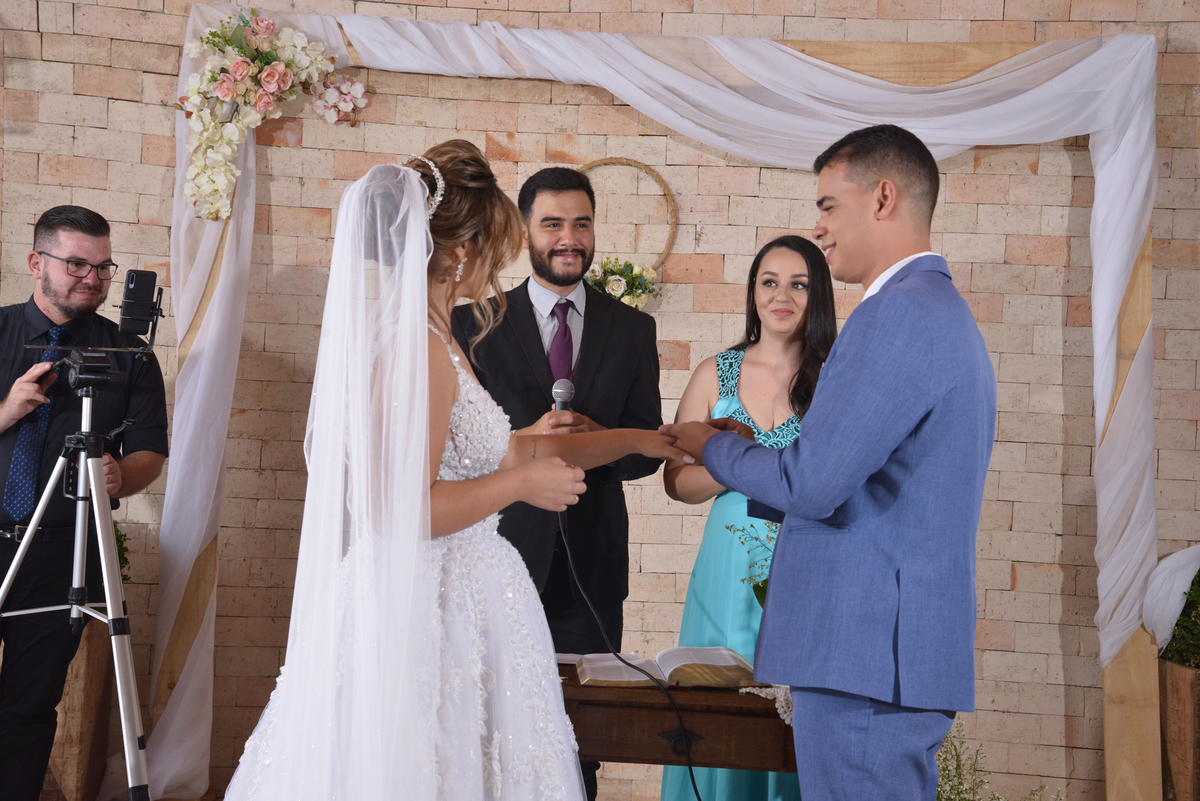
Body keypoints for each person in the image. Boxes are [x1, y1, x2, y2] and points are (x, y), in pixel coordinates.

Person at [223, 142, 688, 801]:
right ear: (462, 251)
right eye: (495, 243)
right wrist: (521, 487)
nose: (498, 262)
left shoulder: (440, 339)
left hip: (465, 590)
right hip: (425, 599)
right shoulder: (415, 348)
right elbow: (402, 510)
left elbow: (518, 450)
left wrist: (658, 440)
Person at [663, 125, 997, 801]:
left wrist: (711, 444)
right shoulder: (938, 309)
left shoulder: (894, 315)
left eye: (828, 205)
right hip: (888, 652)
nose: (818, 226)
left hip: (864, 651)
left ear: (882, 198)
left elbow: (812, 481)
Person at [451, 168, 662, 801]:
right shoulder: (473, 322)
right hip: (499, 554)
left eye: (581, 224)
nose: (569, 238)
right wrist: (525, 439)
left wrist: (601, 438)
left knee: (580, 739)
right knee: (488, 728)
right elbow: (455, 450)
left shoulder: (633, 329)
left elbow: (645, 453)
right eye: (552, 224)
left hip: (592, 570)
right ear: (525, 233)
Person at [0, 205, 168, 801]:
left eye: (102, 268)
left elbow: (150, 452)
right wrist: (6, 411)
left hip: (63, 554)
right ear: (36, 262)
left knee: (27, 708)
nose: (91, 279)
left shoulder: (130, 355)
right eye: (76, 264)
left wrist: (120, 476)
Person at [659, 235, 835, 801]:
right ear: (752, 292)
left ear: (818, 295)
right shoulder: (715, 373)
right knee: (717, 708)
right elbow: (677, 482)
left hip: (806, 561)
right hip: (726, 564)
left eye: (798, 284)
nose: (782, 296)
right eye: (769, 282)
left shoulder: (836, 376)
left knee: (794, 713)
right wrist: (738, 463)